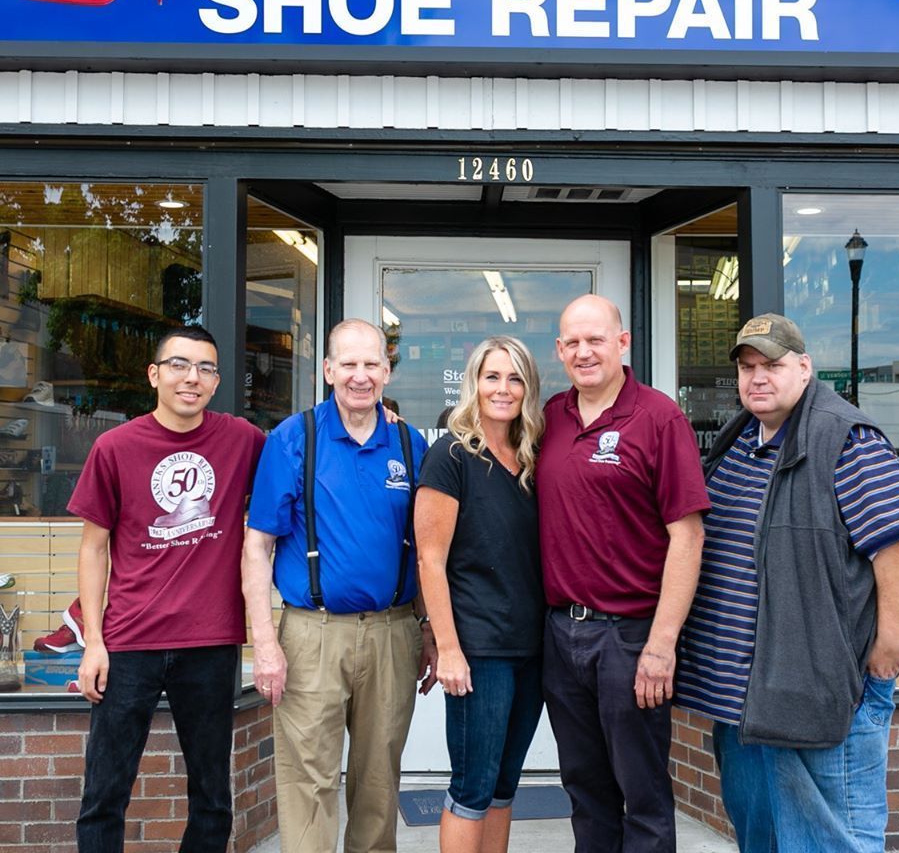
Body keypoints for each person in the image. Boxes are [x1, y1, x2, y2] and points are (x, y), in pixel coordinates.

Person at [675, 313, 899, 853]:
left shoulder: (845, 439)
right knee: (762, 841)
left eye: (773, 365)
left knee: (833, 843)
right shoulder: (740, 437)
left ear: (805, 368)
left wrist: (889, 649)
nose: (757, 377)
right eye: (747, 367)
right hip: (745, 702)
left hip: (818, 690)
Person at [242, 318, 438, 853]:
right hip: (311, 636)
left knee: (379, 783)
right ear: (328, 370)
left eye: (371, 364)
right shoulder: (293, 438)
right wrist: (264, 644)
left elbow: (425, 549)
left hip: (393, 632)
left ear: (387, 370)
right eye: (348, 364)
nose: (360, 376)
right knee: (309, 782)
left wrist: (429, 629)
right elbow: (256, 547)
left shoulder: (408, 441)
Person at [70, 325, 266, 853]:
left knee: (211, 796)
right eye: (179, 365)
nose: (192, 378)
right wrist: (93, 641)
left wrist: (377, 415)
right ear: (154, 375)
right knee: (105, 791)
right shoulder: (115, 447)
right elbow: (93, 548)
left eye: (205, 368)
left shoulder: (242, 440)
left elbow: (301, 458)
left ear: (217, 381)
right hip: (130, 643)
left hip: (211, 641)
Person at [537, 294, 710, 853]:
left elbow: (687, 535)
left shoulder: (659, 417)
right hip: (562, 635)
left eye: (596, 340)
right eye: (573, 343)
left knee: (642, 793)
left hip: (630, 637)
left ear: (622, 343)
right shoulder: (550, 418)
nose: (585, 353)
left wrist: (661, 646)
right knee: (584, 788)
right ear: (560, 350)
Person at [416, 336, 545, 853]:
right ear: (474, 383)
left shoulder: (534, 457)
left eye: (515, 378)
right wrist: (447, 647)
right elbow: (430, 559)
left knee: (503, 787)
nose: (503, 389)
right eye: (492, 376)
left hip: (532, 648)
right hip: (478, 651)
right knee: (472, 787)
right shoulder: (450, 454)